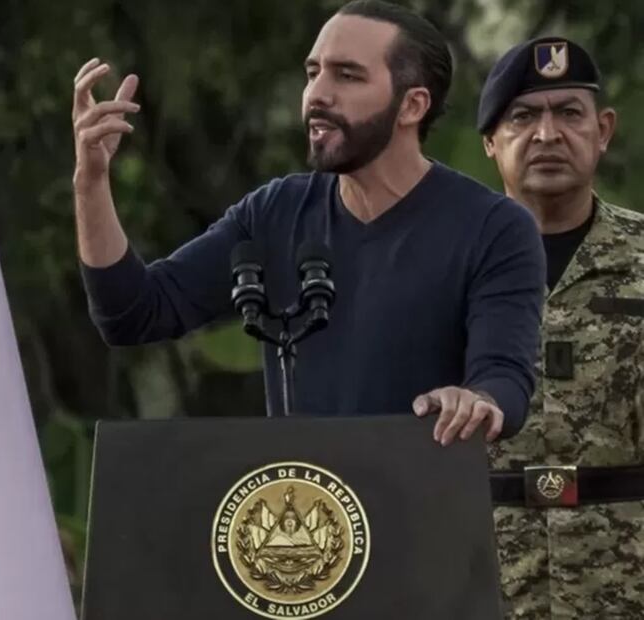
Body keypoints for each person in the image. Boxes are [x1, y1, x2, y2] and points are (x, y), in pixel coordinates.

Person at [71, 0, 546, 444]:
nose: (317, 94)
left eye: (347, 76)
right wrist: (90, 183)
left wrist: (476, 402)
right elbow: (133, 314)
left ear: (412, 105)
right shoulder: (275, 211)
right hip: (302, 520)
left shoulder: (494, 228)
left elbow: (504, 377)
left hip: (420, 514)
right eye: (313, 73)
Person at [478, 36, 644, 618]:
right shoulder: (444, 268)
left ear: (602, 131)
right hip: (485, 579)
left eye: (568, 114)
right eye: (523, 116)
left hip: (626, 582)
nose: (547, 135)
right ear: (491, 142)